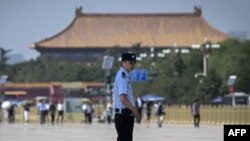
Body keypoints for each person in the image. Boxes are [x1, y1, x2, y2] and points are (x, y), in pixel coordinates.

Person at [113, 52, 139, 141]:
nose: (133, 65)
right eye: (130, 63)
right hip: (123, 116)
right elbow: (123, 98)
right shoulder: (122, 76)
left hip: (126, 115)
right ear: (124, 62)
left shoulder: (126, 76)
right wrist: (134, 109)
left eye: (134, 63)